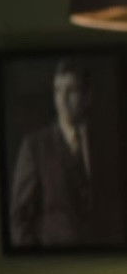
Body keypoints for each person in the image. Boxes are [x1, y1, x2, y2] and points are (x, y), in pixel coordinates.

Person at [9, 59, 125, 247]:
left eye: (71, 91)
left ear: (87, 96)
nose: (62, 100)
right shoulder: (35, 146)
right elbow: (20, 218)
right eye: (57, 91)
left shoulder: (107, 143)